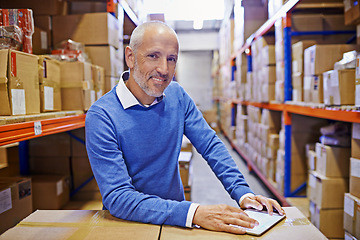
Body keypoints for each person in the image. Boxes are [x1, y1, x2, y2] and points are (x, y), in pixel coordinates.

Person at [85, 21, 285, 235]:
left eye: (171, 59)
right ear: (130, 57)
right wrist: (194, 213)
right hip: (127, 224)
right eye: (154, 56)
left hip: (174, 222)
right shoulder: (102, 116)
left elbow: (210, 145)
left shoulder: (177, 96)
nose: (164, 69)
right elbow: (119, 197)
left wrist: (243, 194)